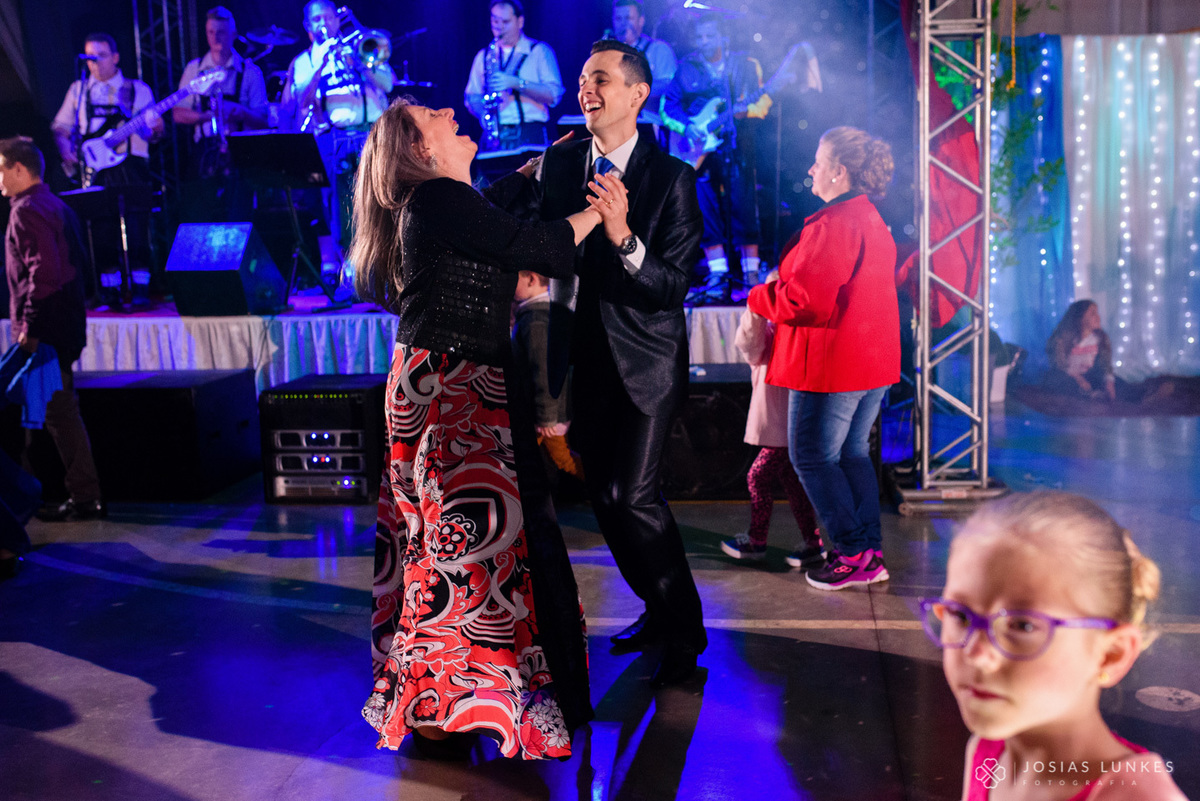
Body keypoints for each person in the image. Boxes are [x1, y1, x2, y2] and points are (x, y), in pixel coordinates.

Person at [352, 99, 602, 759]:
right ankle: (461, 699)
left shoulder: (440, 201)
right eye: (430, 114)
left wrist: (528, 173)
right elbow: (539, 245)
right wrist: (602, 210)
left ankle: (445, 700)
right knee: (467, 551)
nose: (445, 108)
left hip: (450, 380)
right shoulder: (435, 199)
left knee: (458, 549)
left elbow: (488, 210)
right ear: (422, 149)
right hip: (451, 388)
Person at [508, 40, 707, 688]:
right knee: (603, 497)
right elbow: (545, 247)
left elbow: (671, 287)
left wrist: (622, 235)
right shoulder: (562, 163)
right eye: (581, 79)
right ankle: (654, 606)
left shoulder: (672, 178)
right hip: (581, 362)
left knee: (634, 495)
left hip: (648, 366)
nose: (584, 89)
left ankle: (686, 625)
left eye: (599, 79)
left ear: (636, 94)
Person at [920, 491, 1187, 800]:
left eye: (1023, 625)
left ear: (1110, 656)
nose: (977, 655)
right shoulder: (988, 752)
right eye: (959, 615)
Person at [747, 126, 898, 591]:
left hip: (832, 364)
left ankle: (852, 553)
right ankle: (866, 551)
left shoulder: (834, 223)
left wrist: (758, 297)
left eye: (818, 160)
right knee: (851, 455)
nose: (811, 169)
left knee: (812, 457)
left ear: (840, 171)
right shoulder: (868, 215)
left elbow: (805, 302)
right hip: (870, 362)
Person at [0, 137, 103, 522]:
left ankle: (82, 496)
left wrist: (28, 325)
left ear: (19, 170)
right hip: (61, 327)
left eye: (0, 169)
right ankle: (40, 493)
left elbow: (44, 273)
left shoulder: (27, 211)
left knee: (55, 414)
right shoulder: (56, 205)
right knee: (38, 413)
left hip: (44, 332)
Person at [721, 270, 823, 568]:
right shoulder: (769, 337)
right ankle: (811, 542)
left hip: (790, 424)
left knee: (758, 476)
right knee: (792, 481)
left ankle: (757, 541)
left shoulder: (798, 333)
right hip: (782, 423)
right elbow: (749, 345)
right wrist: (756, 306)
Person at [662, 13, 770, 287]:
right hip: (700, 151)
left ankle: (751, 274)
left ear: (723, 37)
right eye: (699, 37)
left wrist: (747, 111)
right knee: (704, 210)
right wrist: (688, 128)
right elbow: (666, 107)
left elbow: (763, 100)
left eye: (710, 36)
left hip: (738, 148)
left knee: (745, 208)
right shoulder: (687, 68)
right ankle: (717, 273)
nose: (704, 42)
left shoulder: (745, 64)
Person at [51, 33, 161, 300]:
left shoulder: (136, 90)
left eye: (99, 55)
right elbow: (60, 128)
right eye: (89, 56)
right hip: (94, 169)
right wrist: (67, 151)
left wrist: (150, 129)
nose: (94, 62)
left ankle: (140, 285)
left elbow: (157, 131)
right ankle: (108, 287)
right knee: (101, 228)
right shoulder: (79, 90)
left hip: (131, 165)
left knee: (136, 226)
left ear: (115, 57)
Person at [172, 6, 268, 179]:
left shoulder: (251, 72)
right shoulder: (195, 69)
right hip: (204, 154)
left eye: (221, 32)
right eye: (211, 32)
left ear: (233, 34)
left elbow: (263, 120)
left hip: (242, 153)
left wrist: (240, 112)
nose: (216, 37)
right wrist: (208, 116)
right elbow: (178, 113)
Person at [511, 270, 585, 483]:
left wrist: (546, 416)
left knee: (563, 460)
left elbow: (542, 370)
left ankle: (603, 486)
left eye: (516, 277)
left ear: (532, 279)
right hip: (542, 413)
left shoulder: (536, 320)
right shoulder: (539, 315)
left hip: (546, 416)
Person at [280, 0, 395, 133]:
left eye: (329, 18)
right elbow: (302, 102)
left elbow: (387, 86)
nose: (324, 23)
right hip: (334, 138)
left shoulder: (357, 49)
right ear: (308, 25)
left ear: (337, 20)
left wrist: (359, 63)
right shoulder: (303, 61)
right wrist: (319, 66)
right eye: (317, 19)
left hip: (374, 131)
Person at [464, 0, 565, 151]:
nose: (499, 27)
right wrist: (484, 114)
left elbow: (553, 95)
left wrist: (517, 83)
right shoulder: (483, 56)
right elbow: (471, 97)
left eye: (505, 21)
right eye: (495, 20)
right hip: (494, 136)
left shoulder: (539, 51)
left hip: (530, 132)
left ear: (520, 21)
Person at [1043, 299, 1169, 404]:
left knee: (1115, 381)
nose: (1097, 317)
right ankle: (1092, 396)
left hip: (1089, 375)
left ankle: (1144, 396)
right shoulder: (1061, 338)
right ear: (1080, 317)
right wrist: (1078, 378)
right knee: (1059, 381)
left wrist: (1109, 382)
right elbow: (1058, 364)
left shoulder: (1100, 338)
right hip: (1068, 376)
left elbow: (1105, 365)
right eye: (1092, 313)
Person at [609, 0, 676, 127]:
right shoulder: (607, 54)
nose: (623, 24)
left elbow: (669, 87)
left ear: (641, 21)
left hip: (652, 124)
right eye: (618, 19)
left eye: (628, 18)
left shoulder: (658, 49)